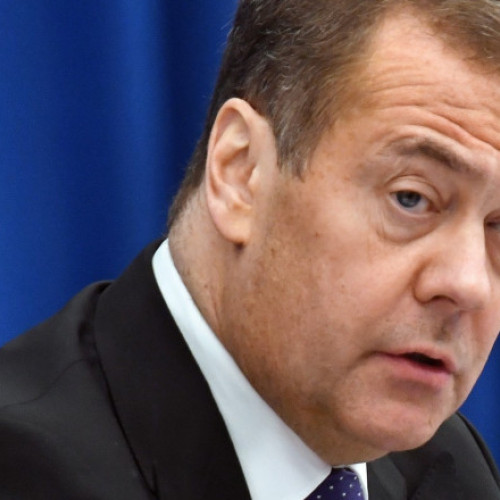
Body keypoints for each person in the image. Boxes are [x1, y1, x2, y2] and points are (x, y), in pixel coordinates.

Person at [1, 0, 500, 498]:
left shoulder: (454, 471)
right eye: (411, 198)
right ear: (242, 171)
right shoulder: (24, 470)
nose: (468, 284)